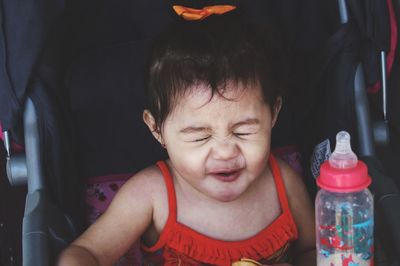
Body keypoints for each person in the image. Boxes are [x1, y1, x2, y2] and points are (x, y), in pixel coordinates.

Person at [58, 7, 315, 266]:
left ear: (273, 114)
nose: (225, 151)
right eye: (200, 137)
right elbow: (85, 253)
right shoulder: (152, 195)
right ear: (157, 129)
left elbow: (312, 249)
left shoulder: (284, 183)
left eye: (243, 131)